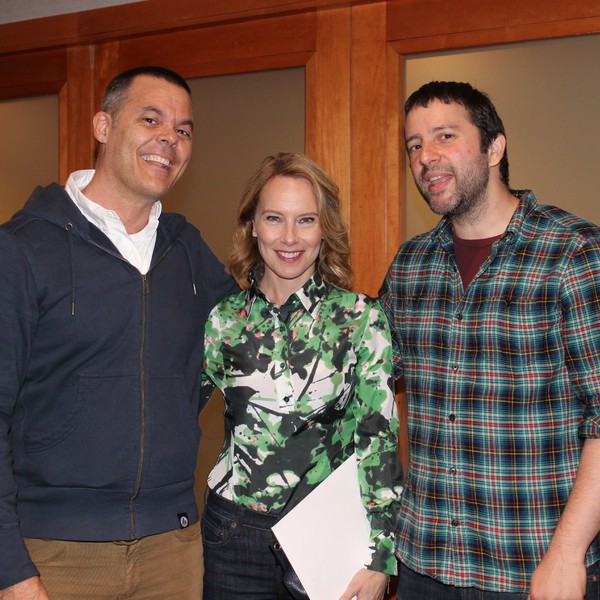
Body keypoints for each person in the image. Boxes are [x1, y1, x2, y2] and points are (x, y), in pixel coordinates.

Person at [0, 66, 236, 599]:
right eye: (150, 119)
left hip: (172, 549)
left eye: (183, 130)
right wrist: (10, 569)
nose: (169, 141)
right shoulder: (21, 250)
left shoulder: (188, 253)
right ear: (103, 127)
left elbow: (259, 338)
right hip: (54, 553)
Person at [379, 80, 600, 599]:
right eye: (414, 145)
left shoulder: (573, 254)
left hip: (534, 568)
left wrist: (567, 555)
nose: (425, 157)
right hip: (423, 565)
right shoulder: (410, 266)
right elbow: (366, 390)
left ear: (494, 146)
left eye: (444, 137)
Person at [200, 152, 403, 600]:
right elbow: (171, 420)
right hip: (233, 536)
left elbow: (379, 441)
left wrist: (381, 556)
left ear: (324, 228)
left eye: (305, 220)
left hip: (330, 539)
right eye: (274, 218)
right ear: (252, 225)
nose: (289, 237)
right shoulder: (222, 320)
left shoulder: (360, 320)